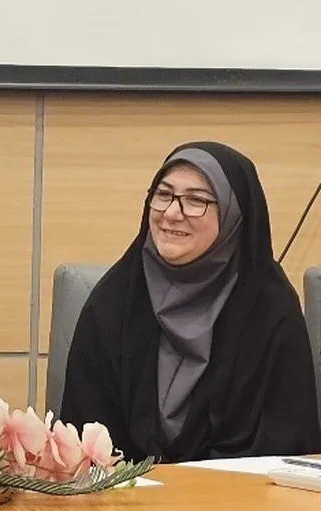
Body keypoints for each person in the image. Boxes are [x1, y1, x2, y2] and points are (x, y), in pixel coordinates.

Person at [60, 141, 321, 462]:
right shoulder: (113, 302)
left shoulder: (270, 311)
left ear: (233, 216)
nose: (171, 213)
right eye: (164, 195)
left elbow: (286, 448)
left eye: (196, 200)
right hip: (125, 492)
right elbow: (83, 438)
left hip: (239, 492)